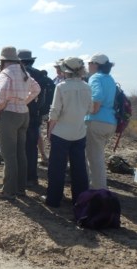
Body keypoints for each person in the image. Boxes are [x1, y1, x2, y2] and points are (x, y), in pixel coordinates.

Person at [0, 46, 41, 200]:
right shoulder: (24, 71)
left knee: (8, 154)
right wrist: (23, 101)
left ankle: (8, 190)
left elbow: (4, 90)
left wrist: (0, 108)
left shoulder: (6, 72)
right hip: (23, 113)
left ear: (3, 60)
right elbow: (36, 89)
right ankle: (20, 188)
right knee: (21, 153)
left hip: (10, 114)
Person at [45, 57, 92, 208]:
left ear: (66, 70)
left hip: (61, 132)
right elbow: (90, 109)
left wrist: (50, 130)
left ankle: (53, 200)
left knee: (57, 168)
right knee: (79, 168)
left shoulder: (61, 86)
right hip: (79, 132)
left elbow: (55, 112)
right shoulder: (87, 86)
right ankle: (80, 201)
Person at [18, 49, 55, 187]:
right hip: (36, 116)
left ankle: (19, 178)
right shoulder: (41, 75)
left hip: (20, 113)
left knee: (19, 147)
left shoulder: (20, 74)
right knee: (32, 148)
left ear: (19, 61)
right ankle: (31, 178)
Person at [85, 53, 117, 189]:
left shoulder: (95, 78)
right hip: (110, 122)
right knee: (97, 156)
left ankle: (98, 192)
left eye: (90, 63)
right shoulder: (110, 79)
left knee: (94, 159)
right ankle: (95, 188)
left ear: (96, 65)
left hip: (96, 121)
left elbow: (96, 98)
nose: (88, 65)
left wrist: (91, 110)